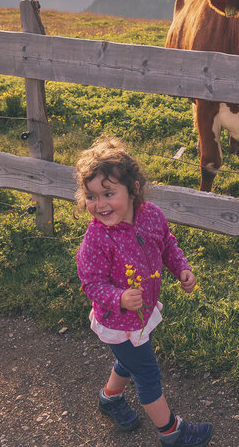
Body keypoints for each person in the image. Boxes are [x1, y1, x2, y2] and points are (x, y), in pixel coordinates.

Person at [74, 137, 213, 446]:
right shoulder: (97, 239)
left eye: (109, 194)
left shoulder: (150, 216)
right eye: (92, 197)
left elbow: (166, 245)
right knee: (147, 374)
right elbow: (91, 284)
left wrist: (182, 268)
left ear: (133, 189)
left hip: (142, 314)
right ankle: (171, 432)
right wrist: (119, 298)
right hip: (117, 321)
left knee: (130, 362)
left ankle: (109, 398)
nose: (100, 205)